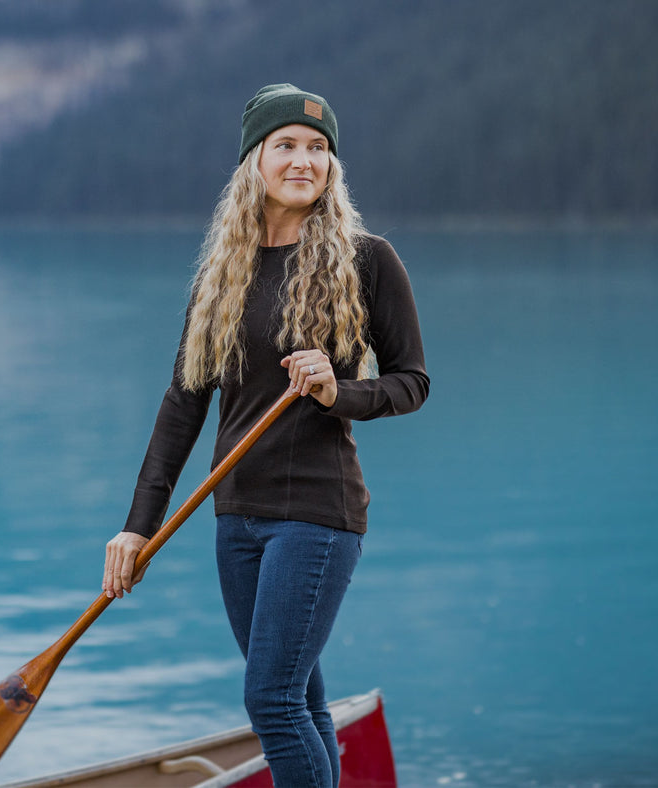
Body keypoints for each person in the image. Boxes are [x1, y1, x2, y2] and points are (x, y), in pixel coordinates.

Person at [100, 83, 429, 787]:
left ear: (333, 167)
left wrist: (339, 391)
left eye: (319, 149)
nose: (304, 160)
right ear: (255, 161)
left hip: (316, 515)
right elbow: (183, 403)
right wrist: (137, 527)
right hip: (235, 519)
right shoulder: (224, 275)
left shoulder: (367, 260)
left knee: (270, 700)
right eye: (287, 145)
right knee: (299, 700)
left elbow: (411, 382)